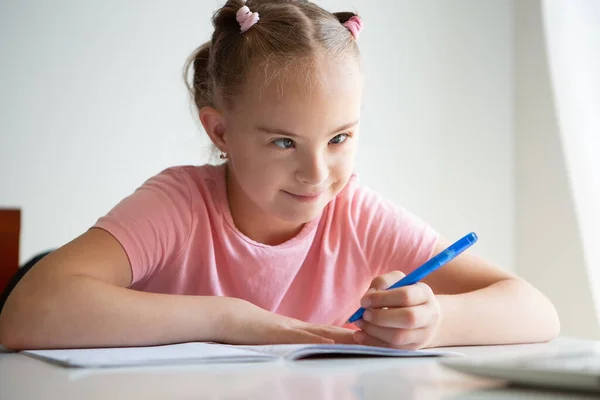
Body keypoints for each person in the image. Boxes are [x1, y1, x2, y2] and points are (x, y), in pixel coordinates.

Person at [0, 0, 559, 351]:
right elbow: (27, 313)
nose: (317, 174)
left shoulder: (355, 214)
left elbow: (537, 310)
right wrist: (230, 319)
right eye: (284, 142)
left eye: (340, 138)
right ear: (220, 133)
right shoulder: (179, 205)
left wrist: (434, 322)